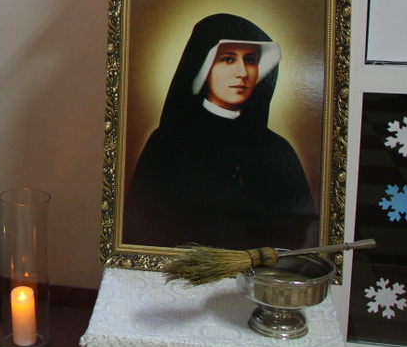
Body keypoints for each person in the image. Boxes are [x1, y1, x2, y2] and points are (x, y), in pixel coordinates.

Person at [123, 13, 318, 251]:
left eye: (250, 60)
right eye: (228, 59)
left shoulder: (278, 149)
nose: (242, 72)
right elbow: (143, 231)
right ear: (204, 67)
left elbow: (302, 233)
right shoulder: (167, 143)